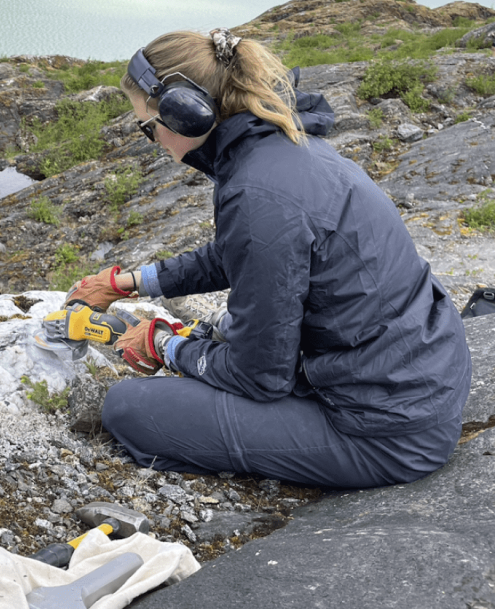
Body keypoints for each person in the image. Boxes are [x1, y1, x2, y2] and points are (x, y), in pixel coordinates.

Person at [70, 29, 472, 489]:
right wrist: (132, 283)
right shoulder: (286, 147)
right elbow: (241, 255)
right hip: (416, 385)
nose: (153, 139)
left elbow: (258, 376)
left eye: (148, 126)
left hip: (385, 435)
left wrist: (166, 346)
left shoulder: (257, 192)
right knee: (223, 330)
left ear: (187, 114)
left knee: (129, 407)